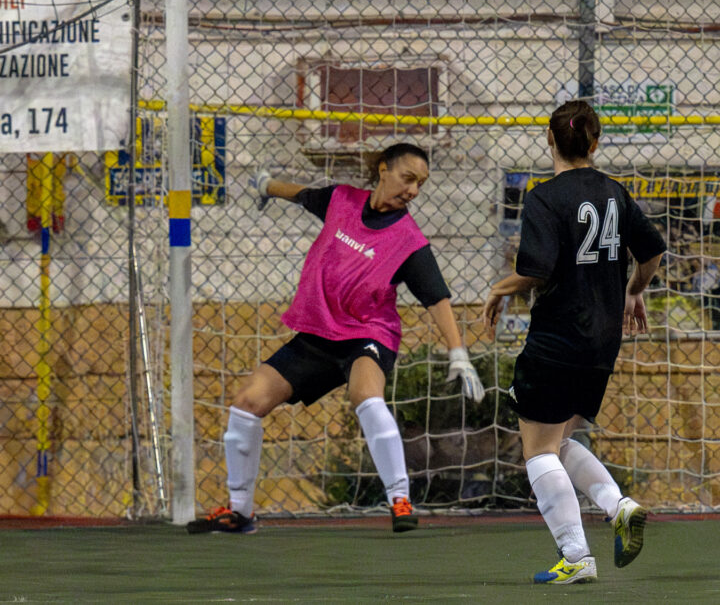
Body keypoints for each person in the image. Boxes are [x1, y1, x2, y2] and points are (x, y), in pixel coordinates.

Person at [187, 142, 484, 535]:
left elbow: (437, 298)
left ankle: (399, 498)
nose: (413, 190)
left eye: (420, 185)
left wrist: (458, 354)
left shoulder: (409, 241)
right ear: (383, 169)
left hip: (369, 335)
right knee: (246, 404)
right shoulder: (340, 201)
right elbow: (302, 194)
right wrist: (266, 185)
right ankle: (240, 513)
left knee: (365, 394)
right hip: (318, 334)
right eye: (408, 178)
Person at [483, 100, 666, 584]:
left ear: (550, 138)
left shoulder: (545, 197)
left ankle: (576, 556)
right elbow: (652, 253)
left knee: (538, 450)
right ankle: (618, 506)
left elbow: (535, 270)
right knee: (561, 439)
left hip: (558, 334)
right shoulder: (615, 192)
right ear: (595, 141)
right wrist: (634, 291)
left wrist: (499, 290)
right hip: (603, 341)